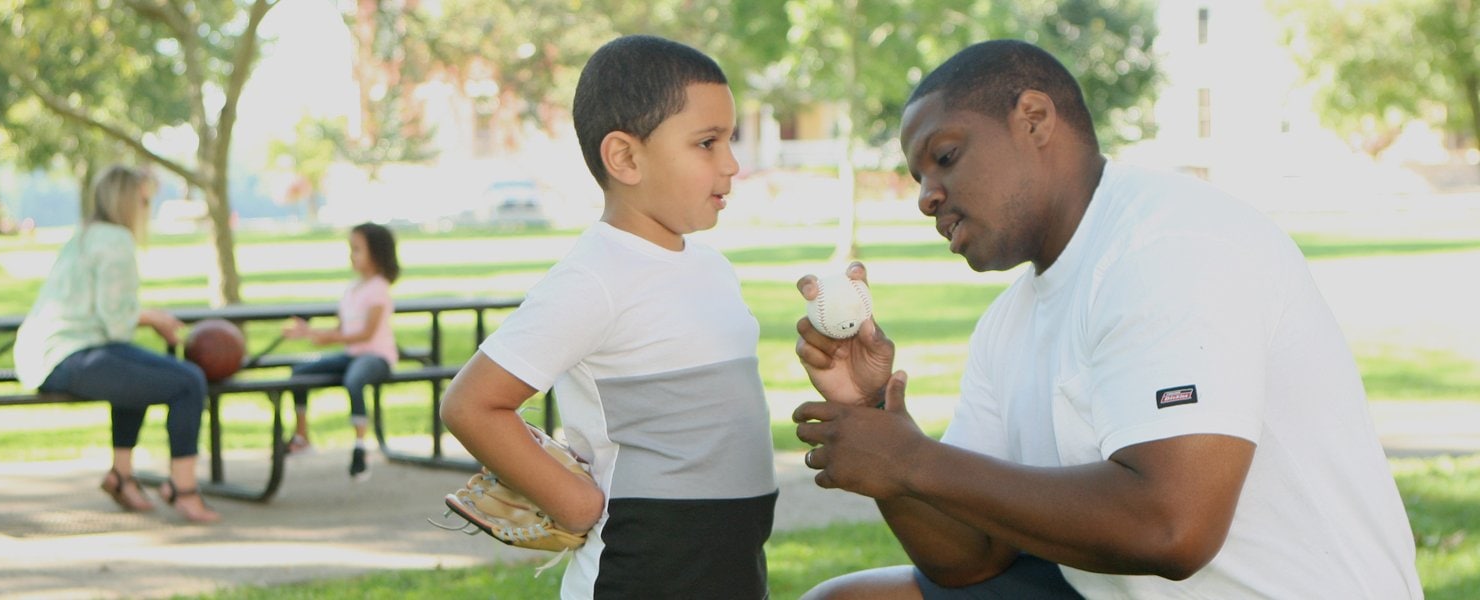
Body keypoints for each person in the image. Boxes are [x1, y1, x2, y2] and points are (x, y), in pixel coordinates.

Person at [792, 40, 1421, 598]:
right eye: (917, 177)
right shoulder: (1007, 323)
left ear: (1034, 120)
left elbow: (1173, 529)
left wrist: (915, 463)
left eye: (946, 157)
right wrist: (876, 417)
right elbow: (971, 559)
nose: (926, 194)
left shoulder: (1170, 244)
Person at [440, 34, 776, 598]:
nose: (732, 164)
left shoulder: (712, 267)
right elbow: (472, 403)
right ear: (625, 157)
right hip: (639, 574)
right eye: (707, 143)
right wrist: (576, 501)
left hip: (733, 569)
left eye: (731, 140)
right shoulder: (593, 278)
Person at [12, 165, 220, 523]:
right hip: (70, 354)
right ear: (128, 201)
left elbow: (110, 327)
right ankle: (183, 490)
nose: (146, 209)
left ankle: (121, 476)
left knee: (134, 369)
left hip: (44, 355)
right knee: (188, 382)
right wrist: (155, 318)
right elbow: (117, 321)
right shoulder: (117, 241)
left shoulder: (84, 235)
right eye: (143, 200)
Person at [279, 222, 401, 479]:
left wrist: (329, 338)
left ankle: (360, 447)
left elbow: (366, 333)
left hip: (376, 356)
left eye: (357, 249)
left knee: (354, 380)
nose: (351, 255)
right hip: (352, 354)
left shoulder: (379, 289)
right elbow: (342, 328)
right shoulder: (352, 289)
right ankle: (301, 435)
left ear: (376, 254)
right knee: (298, 374)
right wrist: (308, 333)